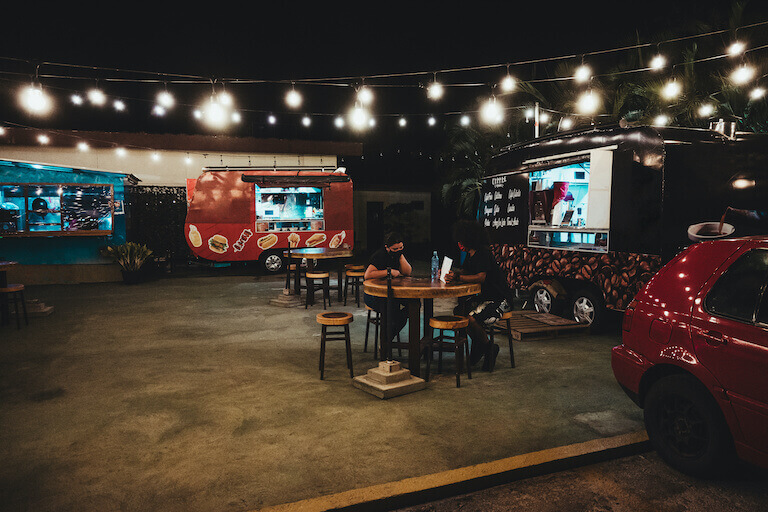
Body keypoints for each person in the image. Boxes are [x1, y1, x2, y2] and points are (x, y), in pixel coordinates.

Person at [445, 219, 513, 371]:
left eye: (461, 240)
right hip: (483, 298)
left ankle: (487, 347)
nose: (459, 243)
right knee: (459, 313)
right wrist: (453, 274)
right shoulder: (471, 254)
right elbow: (466, 271)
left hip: (498, 299)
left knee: (470, 318)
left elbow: (481, 277)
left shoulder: (483, 253)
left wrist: (458, 277)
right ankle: (483, 346)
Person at [363, 232, 414, 355]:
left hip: (392, 293)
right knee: (392, 309)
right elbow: (367, 275)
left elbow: (408, 272)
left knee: (412, 305)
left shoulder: (398, 255)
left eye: (401, 248)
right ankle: (386, 343)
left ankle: (387, 340)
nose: (398, 250)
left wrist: (400, 256)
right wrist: (388, 271)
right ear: (387, 248)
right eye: (395, 249)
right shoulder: (380, 256)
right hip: (374, 294)